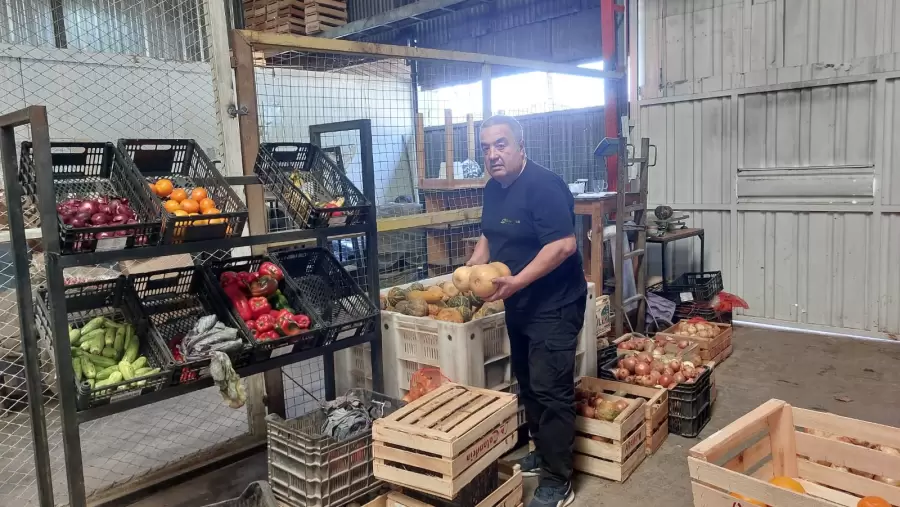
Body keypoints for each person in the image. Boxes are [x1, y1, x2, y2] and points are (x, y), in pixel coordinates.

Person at [467, 115, 586, 507]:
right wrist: (471, 270)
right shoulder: (493, 188)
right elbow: (489, 234)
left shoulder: (543, 186)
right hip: (518, 301)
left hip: (554, 302)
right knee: (529, 380)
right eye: (486, 147)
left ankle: (557, 479)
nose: (493, 154)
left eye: (501, 144)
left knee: (551, 389)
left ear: (520, 147)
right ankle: (543, 450)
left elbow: (563, 246)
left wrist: (517, 281)